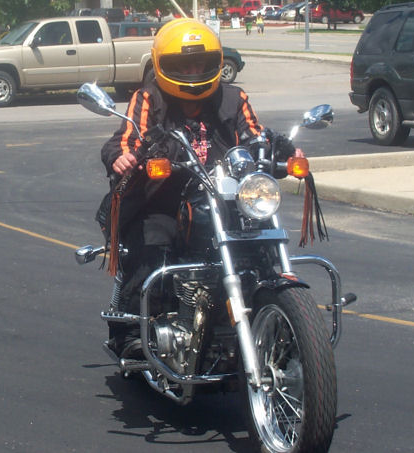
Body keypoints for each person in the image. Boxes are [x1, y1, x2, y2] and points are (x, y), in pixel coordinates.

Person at [100, 19, 298, 359]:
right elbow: (126, 140)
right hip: (163, 197)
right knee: (153, 245)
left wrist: (285, 151)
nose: (193, 71)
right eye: (183, 65)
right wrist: (123, 157)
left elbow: (255, 134)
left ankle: (283, 317)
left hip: (226, 198)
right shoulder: (149, 98)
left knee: (262, 243)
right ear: (165, 66)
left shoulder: (233, 98)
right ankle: (132, 331)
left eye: (200, 64)